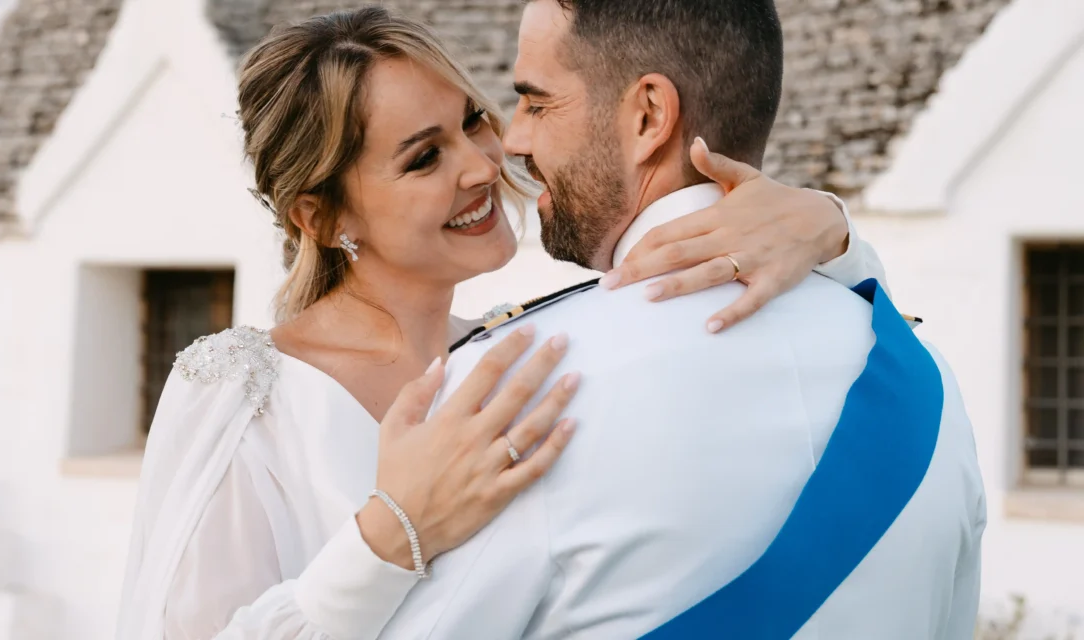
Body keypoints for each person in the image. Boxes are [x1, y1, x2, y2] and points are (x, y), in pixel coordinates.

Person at [116, 7, 892, 640]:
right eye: (424, 158)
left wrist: (831, 227)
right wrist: (389, 538)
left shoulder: (530, 350)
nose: (485, 164)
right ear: (321, 216)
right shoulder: (241, 394)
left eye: (473, 122)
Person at [378, 0, 986, 638]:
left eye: (536, 102)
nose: (514, 140)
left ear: (649, 116)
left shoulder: (516, 391)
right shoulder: (926, 380)